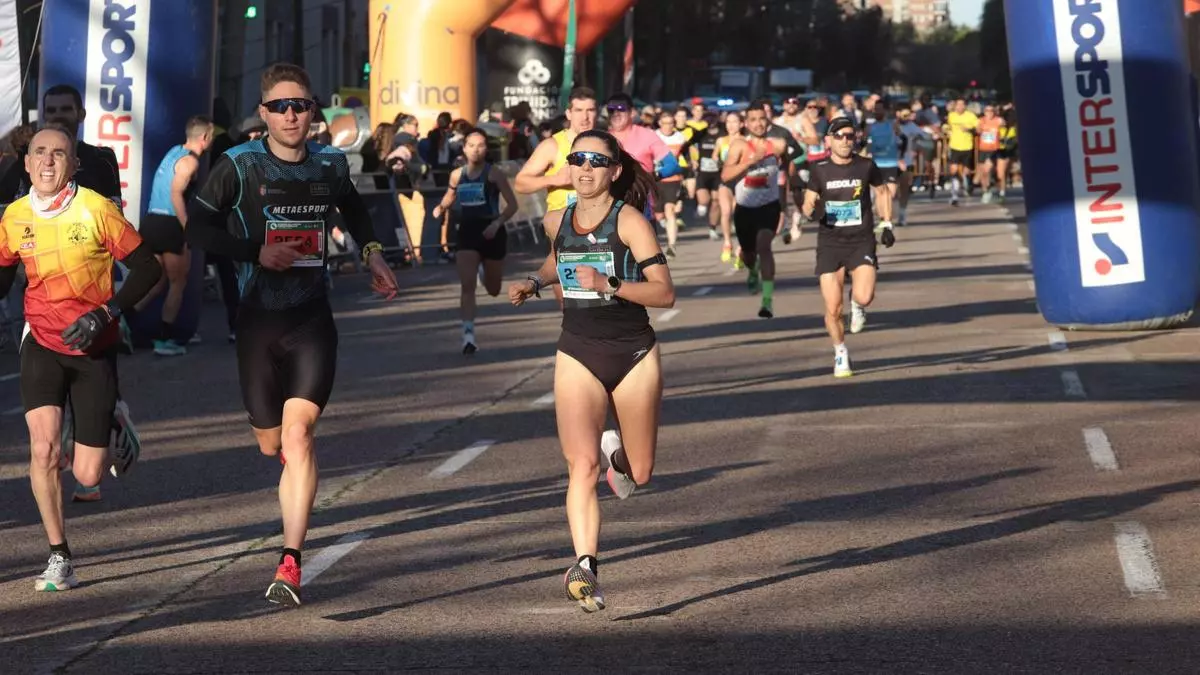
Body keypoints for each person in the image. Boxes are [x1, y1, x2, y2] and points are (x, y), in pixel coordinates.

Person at [186, 62, 399, 607]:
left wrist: (373, 253)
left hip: (310, 319)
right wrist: (255, 252)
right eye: (280, 106)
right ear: (264, 113)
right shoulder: (239, 164)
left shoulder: (330, 163)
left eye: (300, 105)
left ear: (313, 112)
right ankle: (289, 462)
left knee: (299, 435)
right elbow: (199, 228)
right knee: (272, 442)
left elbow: (354, 209)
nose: (290, 115)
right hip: (257, 321)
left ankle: (290, 561)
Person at [508, 129, 673, 613]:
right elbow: (558, 258)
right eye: (577, 158)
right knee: (580, 465)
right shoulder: (556, 219)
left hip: (633, 352)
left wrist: (609, 283)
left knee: (641, 472)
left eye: (596, 161)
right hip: (577, 349)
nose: (584, 168)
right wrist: (534, 282)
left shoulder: (631, 223)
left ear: (614, 171)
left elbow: (664, 292)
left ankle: (618, 456)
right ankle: (585, 568)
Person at [0, 125, 162, 591]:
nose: (48, 161)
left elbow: (148, 267)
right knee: (44, 449)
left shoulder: (97, 209)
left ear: (73, 165)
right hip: (41, 340)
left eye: (59, 154)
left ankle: (114, 420)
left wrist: (105, 313)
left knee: (88, 473)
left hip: (94, 346)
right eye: (39, 153)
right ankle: (59, 555)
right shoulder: (14, 216)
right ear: (27, 164)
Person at [802, 117, 895, 378]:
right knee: (833, 308)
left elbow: (883, 192)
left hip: (860, 240)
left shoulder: (865, 166)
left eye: (850, 136)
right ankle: (840, 351)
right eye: (839, 136)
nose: (845, 141)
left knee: (865, 297)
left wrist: (887, 223)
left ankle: (858, 305)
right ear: (828, 140)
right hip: (830, 243)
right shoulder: (819, 169)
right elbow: (808, 202)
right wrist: (811, 211)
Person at [431, 128, 518, 354]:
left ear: (486, 149)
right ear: (464, 148)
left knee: (493, 289)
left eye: (480, 146)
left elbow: (512, 205)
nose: (475, 150)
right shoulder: (456, 175)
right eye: (471, 145)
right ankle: (468, 335)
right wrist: (441, 207)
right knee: (467, 285)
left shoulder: (494, 173)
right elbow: (450, 196)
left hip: (492, 231)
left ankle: (484, 270)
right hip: (468, 231)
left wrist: (496, 224)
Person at [137, 115, 214, 356]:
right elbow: (175, 193)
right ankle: (163, 339)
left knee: (157, 282)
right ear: (204, 137)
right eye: (212, 136)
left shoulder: (174, 151)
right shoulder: (190, 162)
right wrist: (188, 228)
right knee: (178, 282)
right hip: (170, 224)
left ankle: (123, 323)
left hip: (151, 222)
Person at [720, 101, 788, 318]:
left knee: (764, 247)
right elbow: (725, 176)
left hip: (769, 207)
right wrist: (749, 162)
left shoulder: (778, 145)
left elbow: (788, 168)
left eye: (761, 119)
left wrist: (787, 198)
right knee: (749, 254)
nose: (758, 124)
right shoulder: (739, 146)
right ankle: (752, 269)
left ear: (767, 121)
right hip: (745, 208)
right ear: (746, 124)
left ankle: (767, 301)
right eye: (753, 120)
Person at [944, 99, 978, 206]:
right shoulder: (951, 115)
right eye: (958, 105)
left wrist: (969, 129)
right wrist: (945, 129)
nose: (959, 107)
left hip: (967, 146)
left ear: (965, 106)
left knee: (965, 172)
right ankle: (954, 196)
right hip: (954, 146)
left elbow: (978, 128)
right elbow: (947, 126)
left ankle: (967, 184)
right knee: (953, 170)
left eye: (962, 105)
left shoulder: (970, 116)